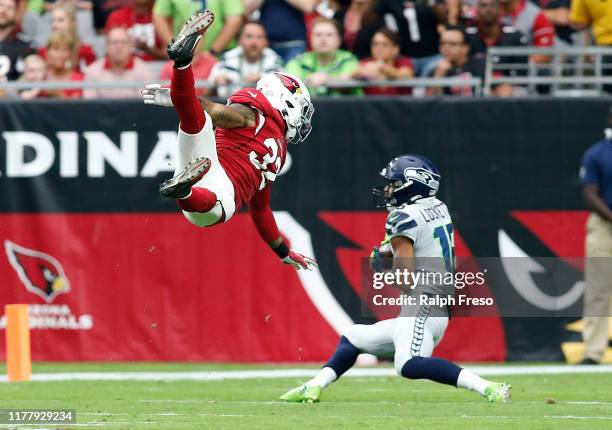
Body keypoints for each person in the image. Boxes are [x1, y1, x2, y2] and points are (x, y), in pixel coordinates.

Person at [280, 154, 512, 403]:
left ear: (412, 185)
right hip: (435, 303)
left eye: (394, 183)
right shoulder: (437, 206)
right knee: (353, 337)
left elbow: (404, 278)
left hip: (424, 302)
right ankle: (314, 386)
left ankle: (488, 387)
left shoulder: (403, 218)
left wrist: (380, 267)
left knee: (409, 364)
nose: (388, 189)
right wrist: (387, 253)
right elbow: (420, 242)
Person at [141, 10, 317, 270]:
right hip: (220, 185)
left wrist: (183, 99)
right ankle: (183, 190)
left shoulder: (273, 140)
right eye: (301, 109)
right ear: (285, 98)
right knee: (217, 205)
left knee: (194, 122)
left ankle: (182, 65)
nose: (302, 119)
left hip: (204, 161)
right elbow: (260, 210)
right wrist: (282, 252)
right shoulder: (263, 127)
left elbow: (207, 110)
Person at [578, 109, 612, 365]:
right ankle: (593, 351)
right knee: (599, 290)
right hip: (604, 227)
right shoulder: (597, 153)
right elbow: (590, 194)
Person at [285, 17, 361, 96]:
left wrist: (327, 80)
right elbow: (290, 89)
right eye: (318, 35)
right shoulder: (298, 62)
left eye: (329, 35)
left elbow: (348, 85)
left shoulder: (349, 60)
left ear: (339, 39)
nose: (323, 39)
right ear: (310, 38)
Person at [209, 21, 283, 98]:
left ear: (266, 42)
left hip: (264, 108)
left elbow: (283, 90)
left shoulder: (275, 61)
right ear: (239, 40)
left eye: (259, 37)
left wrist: (263, 80)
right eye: (249, 36)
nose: (254, 42)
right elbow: (207, 91)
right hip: (229, 106)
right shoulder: (226, 60)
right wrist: (216, 82)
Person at [152, 0, 244, 55]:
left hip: (219, 59)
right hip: (182, 57)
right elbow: (159, 16)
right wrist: (175, 48)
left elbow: (234, 20)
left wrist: (213, 52)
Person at [83, 26, 153, 99]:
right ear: (107, 47)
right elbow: (90, 106)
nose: (119, 46)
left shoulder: (142, 70)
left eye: (123, 42)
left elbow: (147, 106)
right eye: (115, 42)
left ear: (130, 46)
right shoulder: (92, 72)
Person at [465, 0, 527, 75]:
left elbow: (520, 71)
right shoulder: (467, 35)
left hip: (507, 84)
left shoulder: (514, 36)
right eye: (484, 6)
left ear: (500, 9)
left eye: (493, 5)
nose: (488, 9)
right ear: (477, 10)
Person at [247, 0, 316, 63]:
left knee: (292, 75)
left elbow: (308, 7)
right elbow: (248, 9)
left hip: (295, 44)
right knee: (267, 76)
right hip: (268, 45)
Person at [354, 28, 414, 95]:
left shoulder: (404, 62)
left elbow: (405, 75)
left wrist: (380, 66)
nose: (379, 48)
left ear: (396, 49)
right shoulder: (365, 62)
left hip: (399, 105)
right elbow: (356, 72)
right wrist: (358, 72)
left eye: (384, 44)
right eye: (375, 44)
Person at [38, 3, 97, 71]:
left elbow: (93, 78)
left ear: (72, 23)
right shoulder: (43, 51)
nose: (54, 25)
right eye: (52, 20)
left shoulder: (86, 51)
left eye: (60, 20)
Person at [0, 0, 34, 81]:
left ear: (16, 13)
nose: (4, 10)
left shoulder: (25, 45)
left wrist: (11, 89)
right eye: (1, 5)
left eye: (10, 8)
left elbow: (33, 73)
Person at [44, 31, 83, 98]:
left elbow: (76, 106)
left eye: (65, 50)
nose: (60, 54)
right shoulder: (40, 75)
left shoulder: (78, 78)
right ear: (47, 51)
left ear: (70, 54)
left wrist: (58, 93)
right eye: (56, 49)